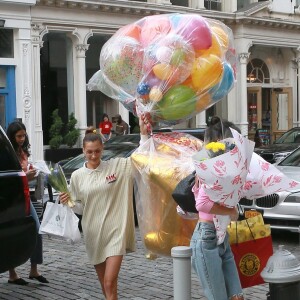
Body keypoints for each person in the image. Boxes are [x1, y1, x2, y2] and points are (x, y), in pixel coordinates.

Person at [59, 114, 149, 300]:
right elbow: (80, 209)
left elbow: (142, 156)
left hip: (116, 232)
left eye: (97, 151)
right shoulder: (77, 176)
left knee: (109, 282)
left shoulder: (117, 167)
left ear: (103, 149)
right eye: (90, 151)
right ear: (83, 150)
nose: (94, 155)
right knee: (107, 287)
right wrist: (68, 202)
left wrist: (143, 130)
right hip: (93, 234)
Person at [190, 116, 244, 300]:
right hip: (207, 237)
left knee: (237, 296)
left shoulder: (221, 168)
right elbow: (202, 204)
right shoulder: (208, 167)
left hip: (222, 237)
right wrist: (230, 211)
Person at [6, 121, 49, 285]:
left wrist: (32, 170)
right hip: (11, 198)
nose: (22, 139)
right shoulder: (7, 153)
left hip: (24, 195)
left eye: (23, 135)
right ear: (12, 136)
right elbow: (11, 176)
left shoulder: (22, 151)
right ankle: (12, 273)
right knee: (12, 234)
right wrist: (26, 175)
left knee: (36, 229)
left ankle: (34, 270)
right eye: (18, 136)